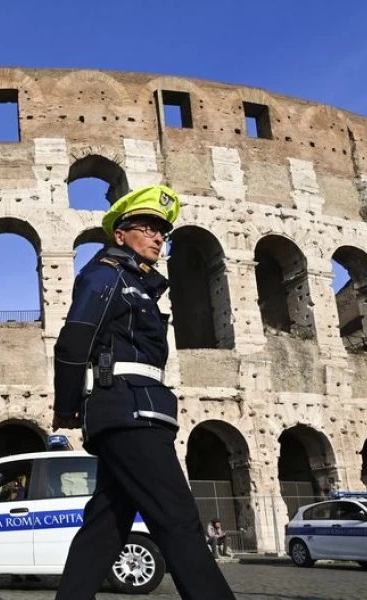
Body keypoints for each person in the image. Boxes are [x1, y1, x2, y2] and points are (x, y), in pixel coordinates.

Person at [51, 185, 235, 600]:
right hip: (128, 412)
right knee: (179, 519)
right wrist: (67, 408)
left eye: (162, 232)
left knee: (105, 525)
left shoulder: (140, 285)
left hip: (140, 411)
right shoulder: (106, 274)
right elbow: (74, 341)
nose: (157, 237)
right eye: (148, 228)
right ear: (120, 235)